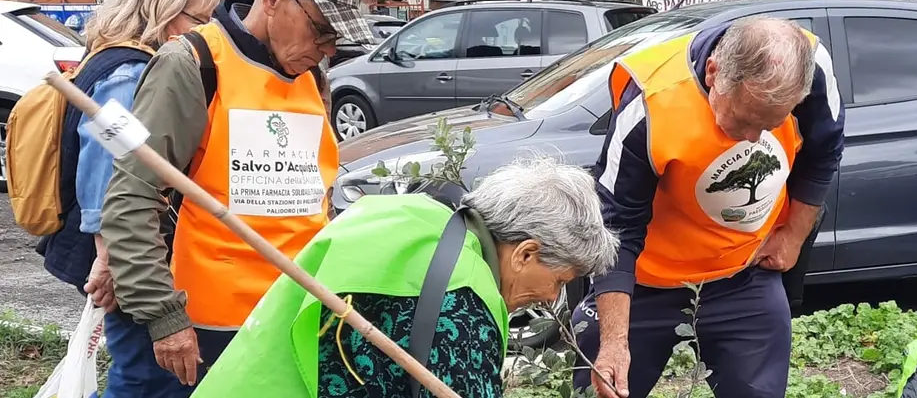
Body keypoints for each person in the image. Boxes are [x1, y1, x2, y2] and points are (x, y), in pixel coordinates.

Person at [100, 0, 374, 392]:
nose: (329, 49)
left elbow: (316, 197)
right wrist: (163, 317)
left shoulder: (312, 77)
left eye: (336, 38)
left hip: (297, 311)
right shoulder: (193, 62)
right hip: (217, 326)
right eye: (322, 30)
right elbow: (132, 195)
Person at [573, 15, 846, 398]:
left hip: (745, 273)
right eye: (743, 120)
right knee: (603, 387)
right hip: (645, 282)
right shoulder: (651, 103)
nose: (752, 140)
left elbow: (823, 152)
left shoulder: (812, 68)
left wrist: (794, 235)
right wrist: (615, 342)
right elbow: (616, 225)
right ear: (714, 73)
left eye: (769, 125)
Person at [190, 156, 619, 398]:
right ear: (525, 254)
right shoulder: (464, 308)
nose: (551, 298)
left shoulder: (418, 217)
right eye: (559, 281)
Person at [36, 0, 226, 398]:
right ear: (164, 8)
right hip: (126, 254)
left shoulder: (107, 58)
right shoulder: (131, 74)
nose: (206, 33)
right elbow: (108, 171)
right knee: (146, 375)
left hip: (119, 251)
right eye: (199, 19)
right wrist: (110, 261)